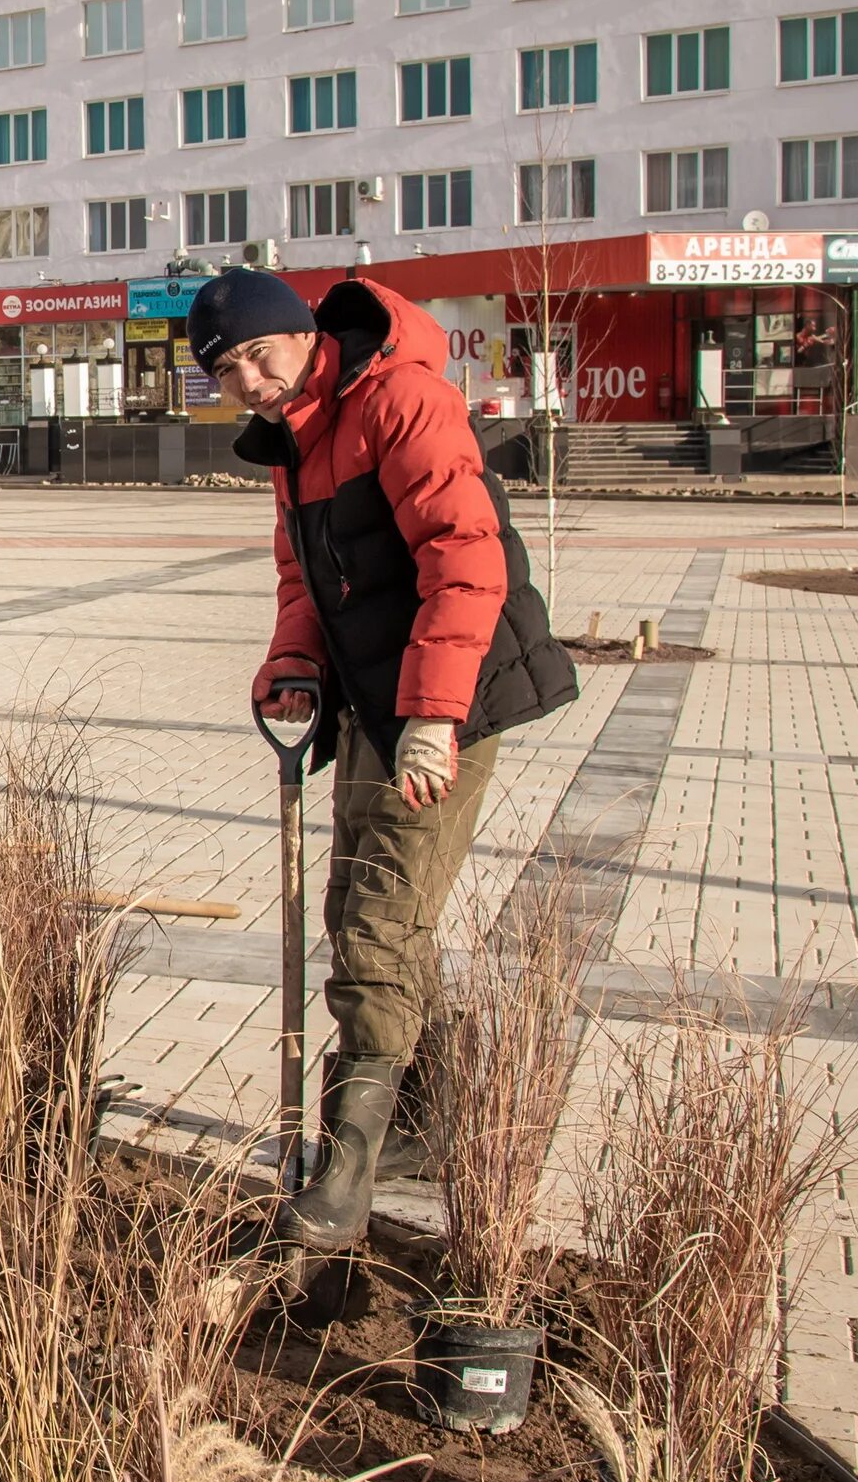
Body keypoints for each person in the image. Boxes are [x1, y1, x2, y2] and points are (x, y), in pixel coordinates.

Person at [191, 268, 578, 1250]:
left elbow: (464, 551)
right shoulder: (294, 438)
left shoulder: (400, 399)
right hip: (373, 692)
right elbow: (302, 573)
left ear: (304, 333)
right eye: (224, 369)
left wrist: (434, 717)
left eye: (258, 353)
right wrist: (292, 660)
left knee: (378, 919)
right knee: (366, 905)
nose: (247, 378)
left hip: (450, 694)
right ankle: (419, 1118)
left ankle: (348, 1170)